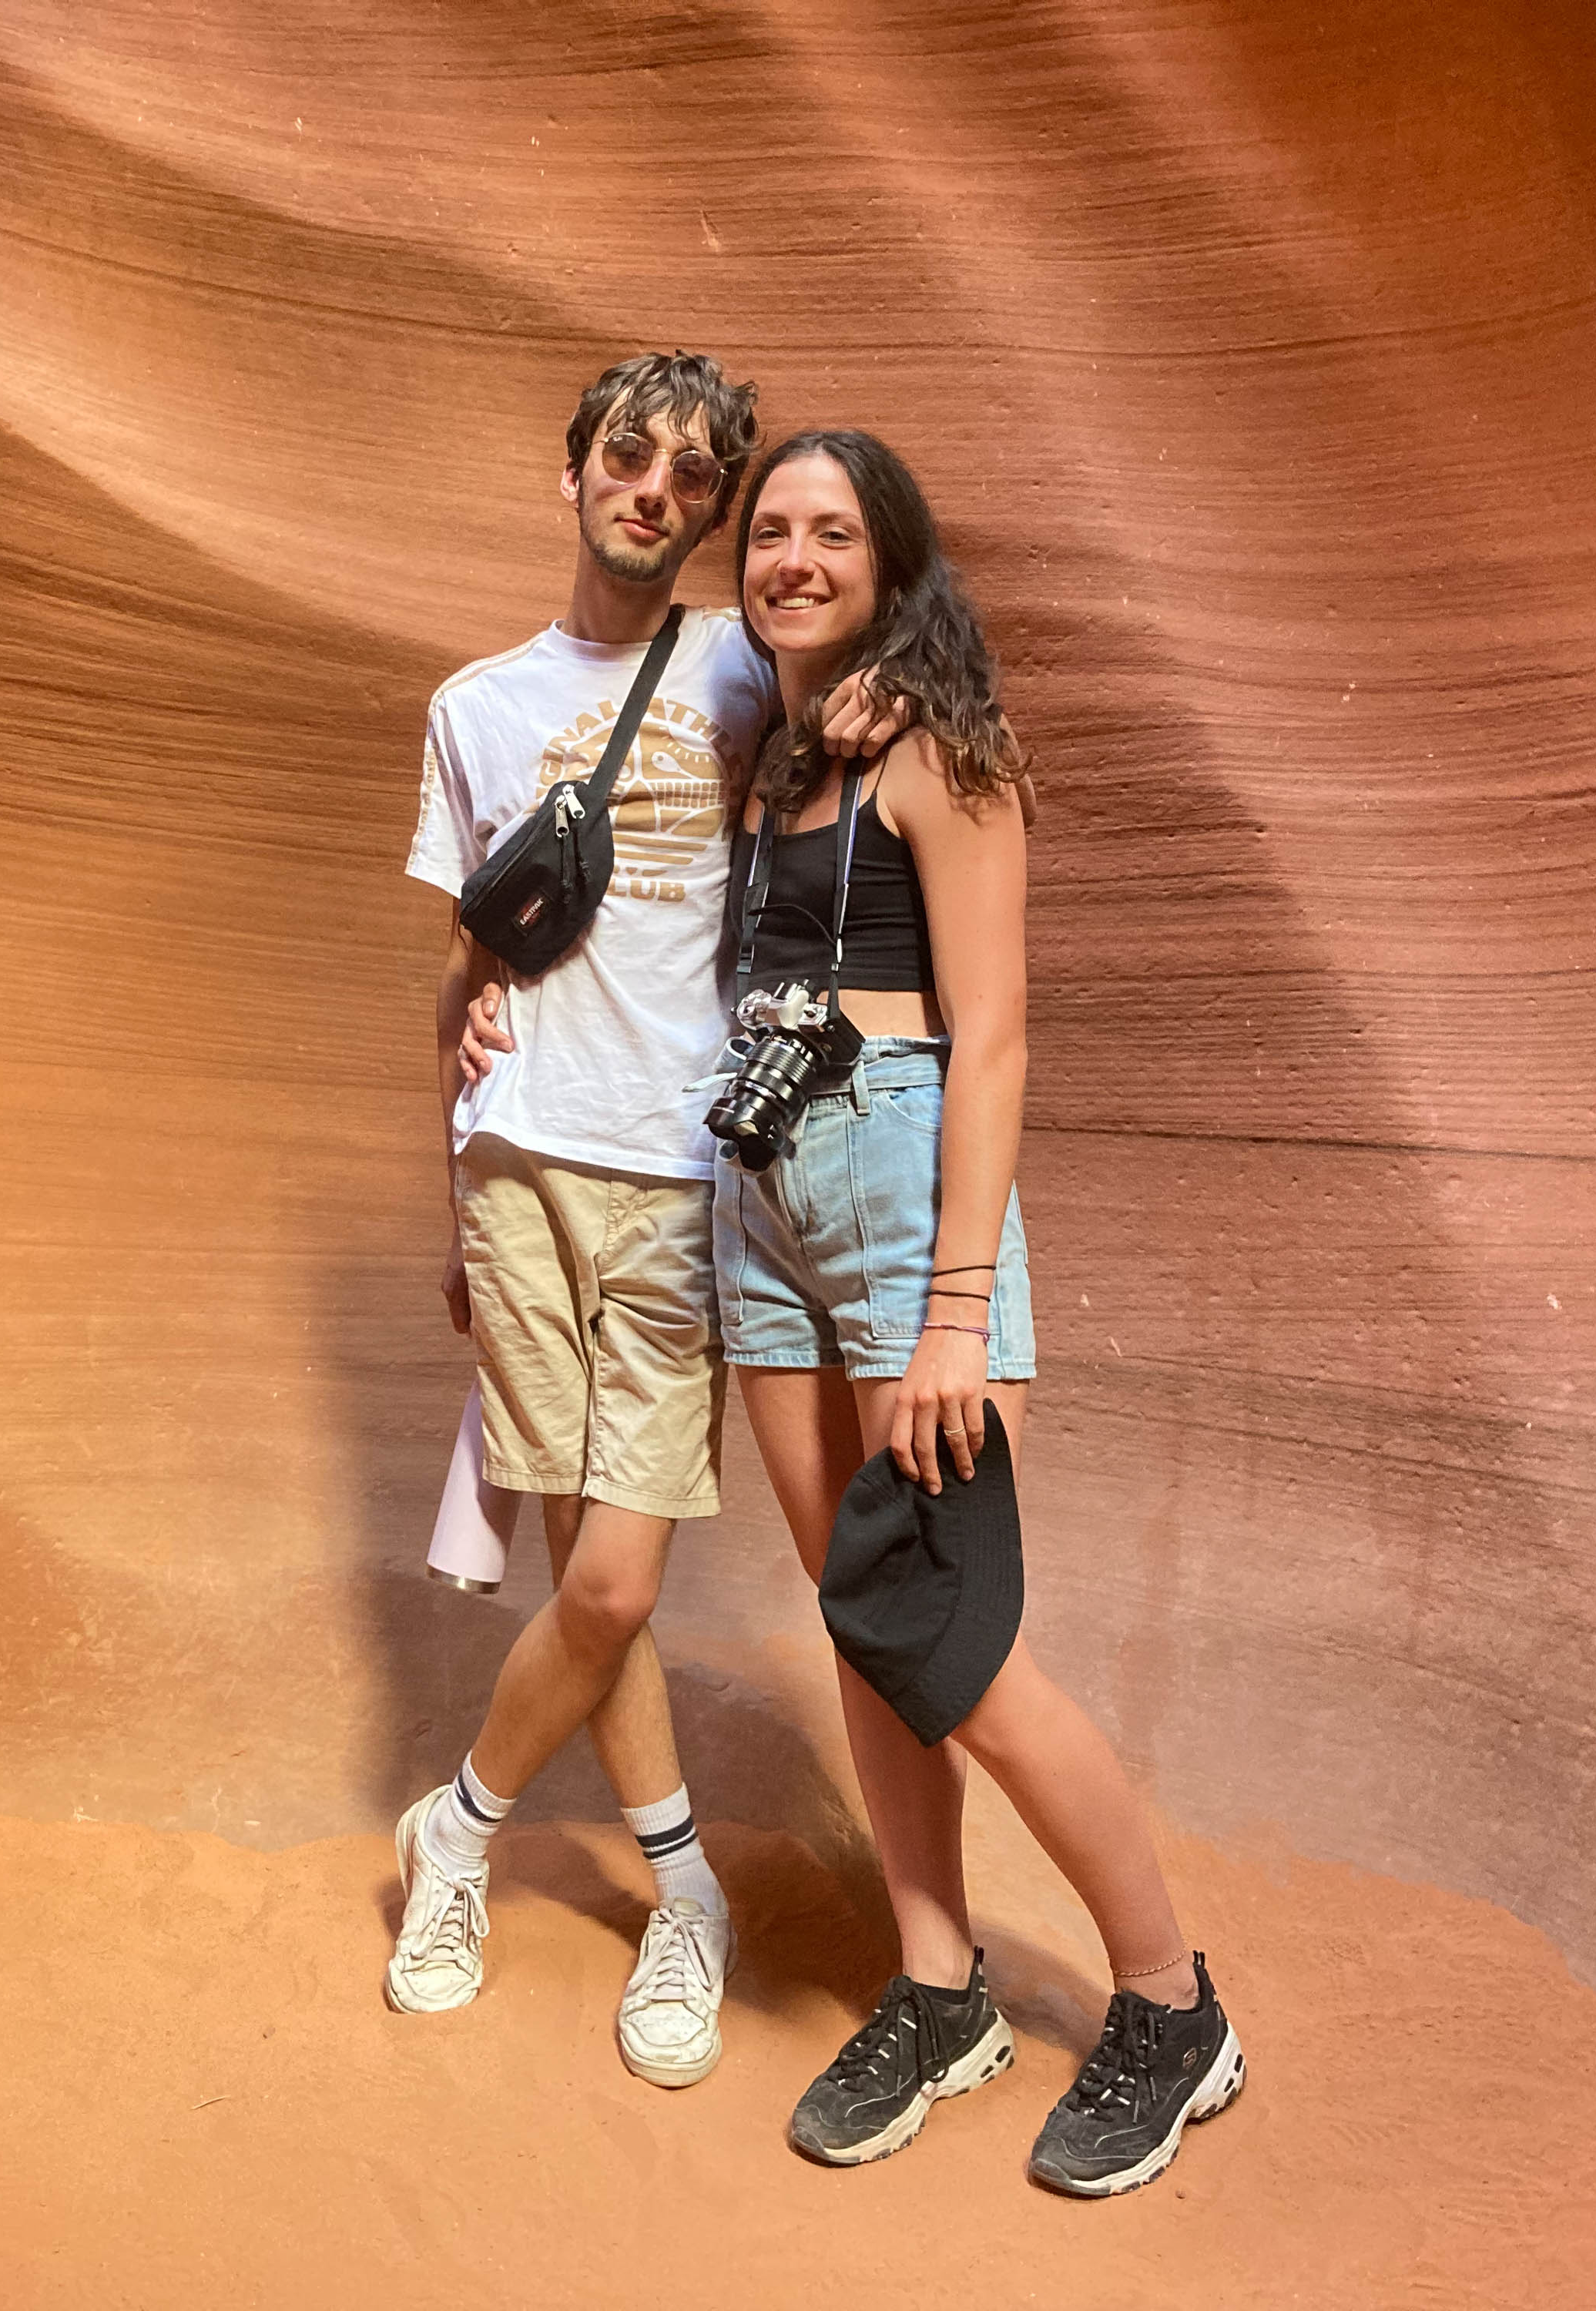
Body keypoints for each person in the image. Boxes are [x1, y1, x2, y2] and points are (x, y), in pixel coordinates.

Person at [716, 428, 1246, 2191]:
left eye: (831, 534)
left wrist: (956, 1311)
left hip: (893, 1206)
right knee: (863, 1625)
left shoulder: (934, 756)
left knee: (959, 1648)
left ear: (890, 565)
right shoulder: (775, 761)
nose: (791, 556)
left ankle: (1171, 2005)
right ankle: (936, 1989)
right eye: (769, 531)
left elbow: (995, 1034)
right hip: (762, 1209)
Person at [394, 352, 893, 2087]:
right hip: (518, 1167)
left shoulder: (745, 662)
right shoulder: (471, 707)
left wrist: (888, 702)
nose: (656, 495)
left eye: (694, 479)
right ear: (573, 474)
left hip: (686, 1182)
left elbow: (871, 671)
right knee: (577, 1583)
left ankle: (456, 1829)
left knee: (609, 1584)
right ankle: (684, 1896)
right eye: (628, 459)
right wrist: (446, 1197)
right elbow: (462, 964)